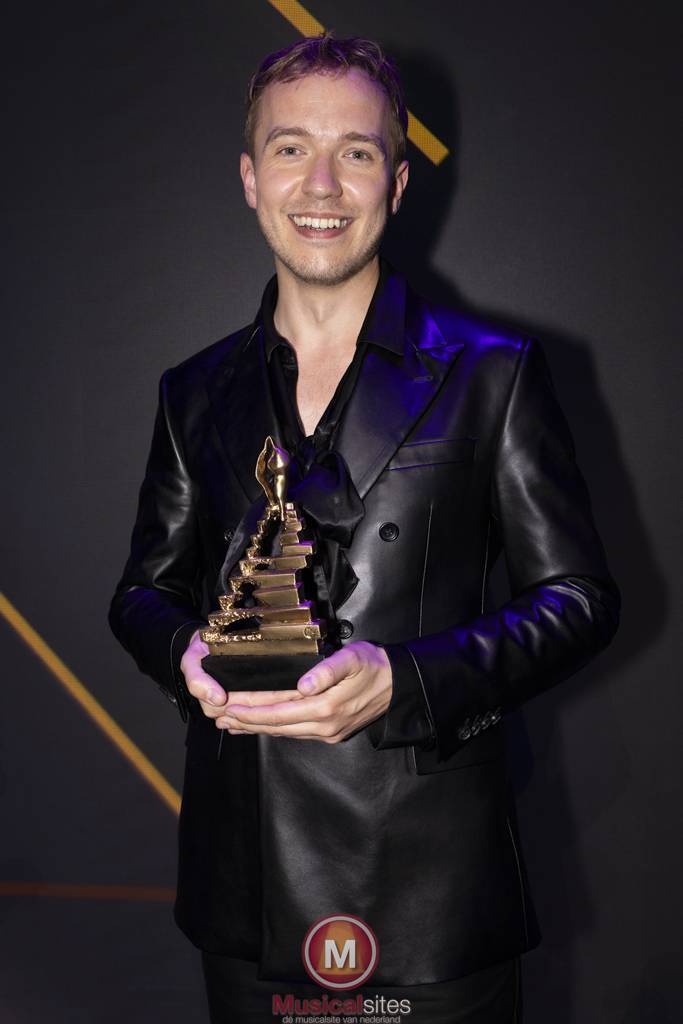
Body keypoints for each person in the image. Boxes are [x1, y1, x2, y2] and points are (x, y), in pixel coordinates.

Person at [109, 33, 620, 1023]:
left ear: (396, 179)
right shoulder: (193, 391)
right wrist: (187, 656)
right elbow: (143, 591)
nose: (322, 184)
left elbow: (578, 600)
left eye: (355, 151)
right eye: (291, 148)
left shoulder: (492, 373)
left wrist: (407, 681)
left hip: (431, 889)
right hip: (248, 884)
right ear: (250, 178)